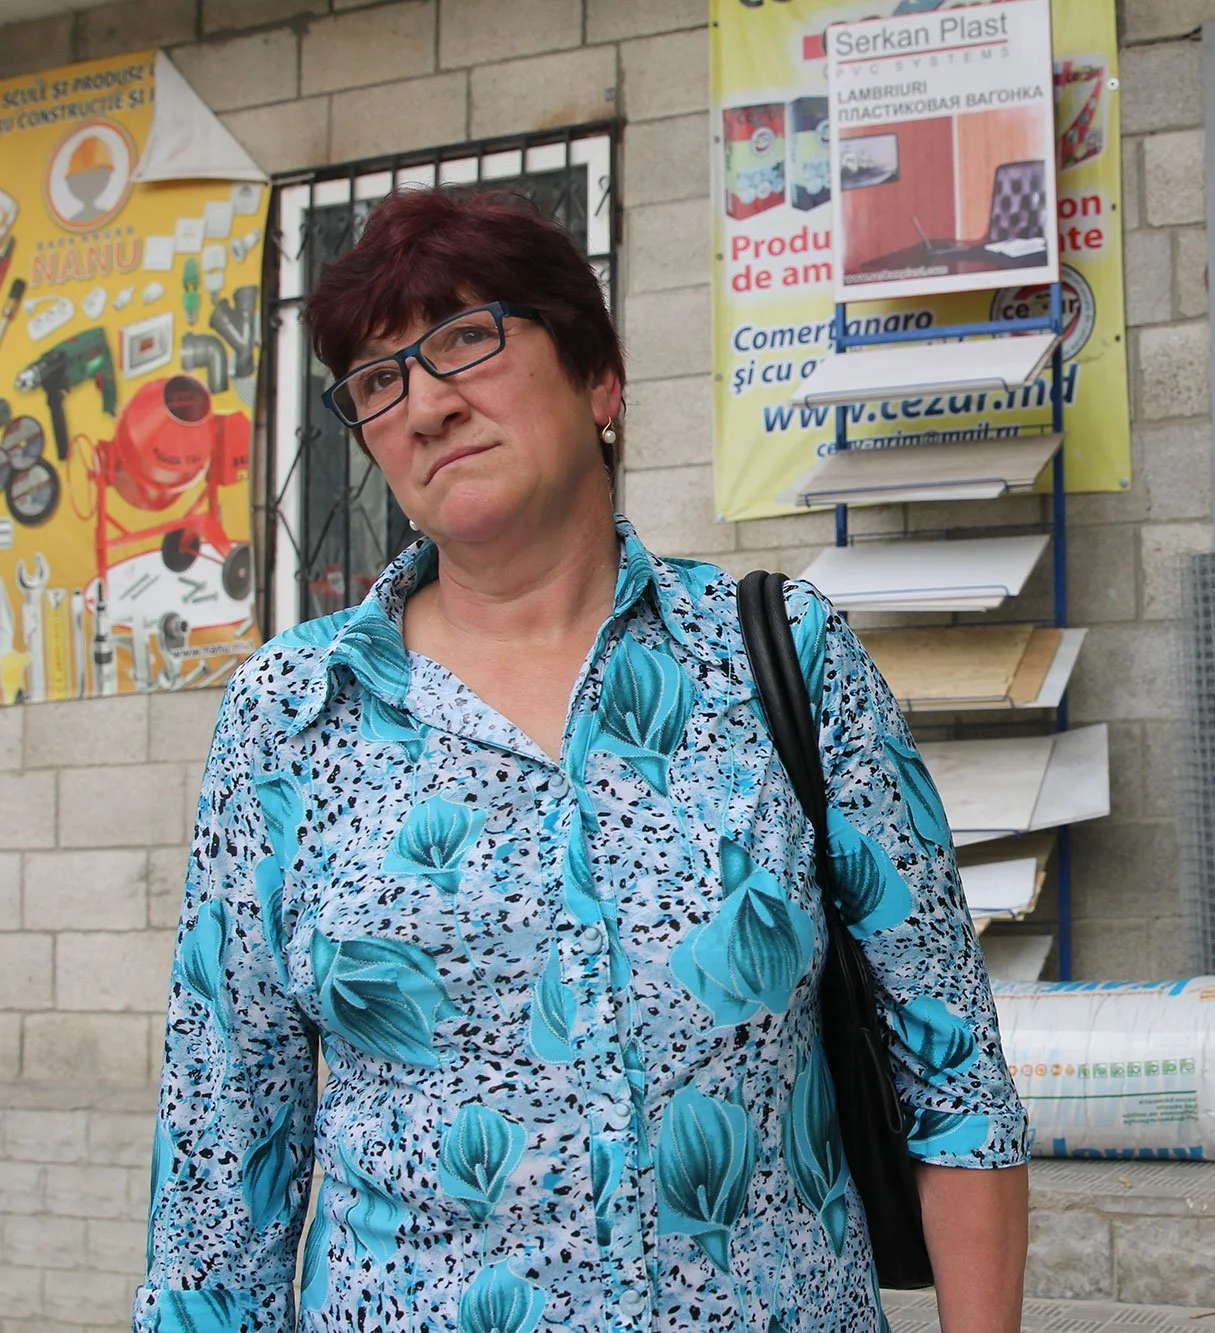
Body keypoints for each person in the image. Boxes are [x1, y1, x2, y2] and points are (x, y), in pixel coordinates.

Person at [137, 188, 1030, 1331]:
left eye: (466, 339)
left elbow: (950, 1066)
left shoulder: (781, 659)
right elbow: (221, 1150)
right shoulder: (294, 712)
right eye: (376, 381)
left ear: (600, 380)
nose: (426, 404)